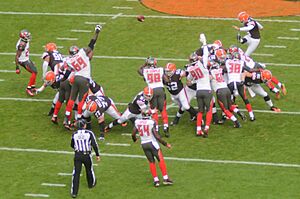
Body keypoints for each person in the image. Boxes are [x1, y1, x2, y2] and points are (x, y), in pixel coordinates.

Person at [63, 25, 102, 130]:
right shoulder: (82, 52)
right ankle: (79, 119)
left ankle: (67, 118)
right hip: (84, 79)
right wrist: (97, 32)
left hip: (75, 78)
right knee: (81, 100)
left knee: (71, 99)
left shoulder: (69, 60)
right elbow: (91, 45)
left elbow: (66, 71)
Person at [132, 113, 173, 187]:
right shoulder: (151, 122)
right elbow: (157, 136)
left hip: (144, 144)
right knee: (160, 160)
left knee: (151, 162)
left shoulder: (137, 121)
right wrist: (166, 144)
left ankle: (156, 180)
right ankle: (165, 178)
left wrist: (134, 139)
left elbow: (133, 133)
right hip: (152, 143)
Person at [186, 34, 213, 138]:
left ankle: (198, 129)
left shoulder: (190, 69)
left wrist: (195, 81)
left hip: (199, 91)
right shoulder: (202, 64)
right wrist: (204, 43)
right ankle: (206, 127)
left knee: (200, 110)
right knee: (209, 109)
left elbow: (189, 81)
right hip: (206, 90)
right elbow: (206, 54)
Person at [138, 57, 170, 137]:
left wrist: (145, 64)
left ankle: (156, 129)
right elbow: (166, 80)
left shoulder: (146, 70)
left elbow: (139, 70)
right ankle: (166, 127)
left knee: (154, 110)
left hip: (151, 91)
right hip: (160, 90)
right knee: (163, 110)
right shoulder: (160, 69)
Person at [70, 119, 100, 198]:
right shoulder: (89, 133)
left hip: (78, 155)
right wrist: (97, 154)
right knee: (89, 169)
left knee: (76, 173)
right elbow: (94, 144)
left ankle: (74, 192)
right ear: (84, 125)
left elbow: (72, 145)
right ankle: (91, 184)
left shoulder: (74, 134)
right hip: (87, 155)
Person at [36, 42, 64, 115]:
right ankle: (53, 110)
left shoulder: (47, 54)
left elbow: (45, 64)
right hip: (64, 70)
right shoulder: (59, 53)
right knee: (59, 87)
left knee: (60, 90)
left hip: (57, 69)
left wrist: (44, 74)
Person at [15, 29, 38, 96]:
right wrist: (17, 67)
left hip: (26, 59)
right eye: (27, 36)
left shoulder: (25, 41)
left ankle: (32, 87)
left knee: (35, 71)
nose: (29, 37)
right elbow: (17, 56)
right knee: (34, 72)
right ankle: (28, 89)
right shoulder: (22, 44)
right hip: (23, 61)